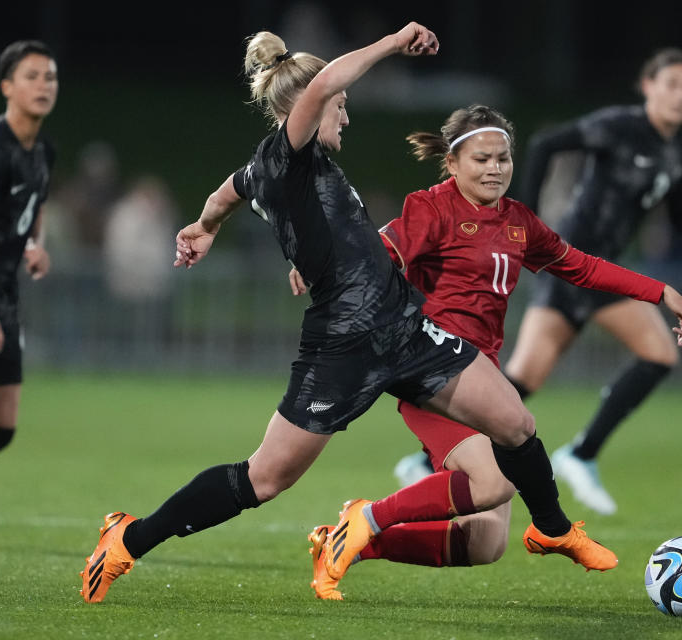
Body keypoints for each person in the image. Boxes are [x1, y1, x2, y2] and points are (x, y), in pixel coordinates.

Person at [79, 23, 629, 605]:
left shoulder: (273, 165)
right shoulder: (288, 154)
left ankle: (553, 529)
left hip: (405, 327)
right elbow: (321, 90)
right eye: (339, 106)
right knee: (264, 479)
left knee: (516, 425)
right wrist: (394, 43)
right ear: (310, 107)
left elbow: (230, 189)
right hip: (342, 345)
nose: (345, 115)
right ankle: (127, 539)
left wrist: (206, 226)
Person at [294, 105, 682, 599]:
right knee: (493, 481)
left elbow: (583, 266)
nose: (495, 168)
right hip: (429, 373)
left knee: (484, 541)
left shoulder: (518, 221)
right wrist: (326, 265)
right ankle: (369, 518)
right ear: (453, 163)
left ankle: (348, 543)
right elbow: (384, 249)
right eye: (482, 158)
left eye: (503, 158)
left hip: (481, 376)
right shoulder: (433, 206)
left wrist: (659, 291)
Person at [496, 48, 682, 515]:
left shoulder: (680, 146)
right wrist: (521, 213)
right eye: (671, 84)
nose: (681, 95)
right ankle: (581, 454)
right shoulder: (620, 126)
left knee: (524, 378)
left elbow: (681, 217)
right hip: (578, 264)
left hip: (589, 268)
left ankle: (429, 461)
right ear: (647, 86)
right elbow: (547, 142)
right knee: (659, 352)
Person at [0, 41, 57, 476]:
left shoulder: (42, 152)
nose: (44, 85)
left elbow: (33, 203)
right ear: (7, 87)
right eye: (31, 76)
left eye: (50, 77)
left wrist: (32, 245)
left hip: (1, 297)